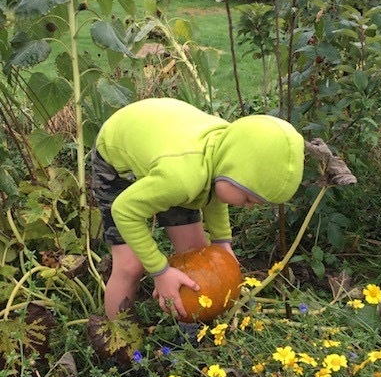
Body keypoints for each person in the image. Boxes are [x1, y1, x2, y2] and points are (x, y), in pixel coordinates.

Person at [91, 97, 304, 320]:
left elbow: (215, 192)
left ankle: (194, 322)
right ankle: (118, 337)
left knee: (196, 254)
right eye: (248, 198)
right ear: (232, 170)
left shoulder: (224, 154)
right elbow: (124, 211)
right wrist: (160, 271)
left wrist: (222, 241)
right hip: (118, 156)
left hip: (169, 150)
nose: (248, 207)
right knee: (130, 265)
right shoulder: (181, 179)